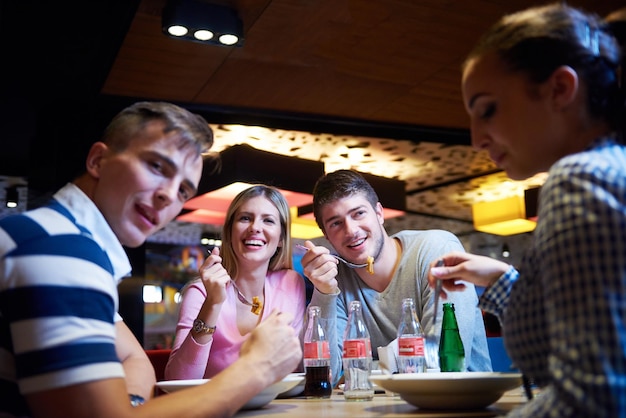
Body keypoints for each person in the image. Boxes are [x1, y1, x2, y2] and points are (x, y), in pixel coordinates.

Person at [0, 101, 302, 418]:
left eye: (184, 190)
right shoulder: (58, 251)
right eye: (157, 166)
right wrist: (256, 370)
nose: (169, 196)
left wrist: (127, 406)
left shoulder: (65, 243)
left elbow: (136, 360)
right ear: (98, 160)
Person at [429, 4, 626, 416]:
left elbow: (593, 400)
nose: (477, 139)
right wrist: (502, 279)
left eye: (487, 110)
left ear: (559, 89)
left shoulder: (579, 179)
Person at [300, 169, 492, 386]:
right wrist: (323, 291)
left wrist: (361, 368)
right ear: (326, 236)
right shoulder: (337, 280)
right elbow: (325, 376)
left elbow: (442, 359)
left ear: (379, 213)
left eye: (358, 213)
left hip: (463, 401)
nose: (351, 230)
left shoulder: (436, 250)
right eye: (336, 223)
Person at [165, 185, 306, 379]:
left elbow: (300, 366)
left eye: (268, 220)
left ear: (281, 238)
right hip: (217, 407)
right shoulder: (200, 291)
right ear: (230, 232)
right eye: (245, 218)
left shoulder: (291, 282)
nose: (255, 227)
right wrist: (212, 303)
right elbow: (178, 380)